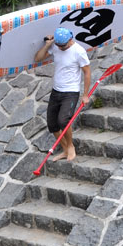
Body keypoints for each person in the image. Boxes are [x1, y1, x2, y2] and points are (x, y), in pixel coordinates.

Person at [34, 27, 91, 162]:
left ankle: (71, 146)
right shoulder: (56, 47)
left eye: (62, 46)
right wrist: (48, 45)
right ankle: (65, 150)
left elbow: (87, 73)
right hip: (56, 91)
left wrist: (85, 94)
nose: (60, 48)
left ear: (70, 40)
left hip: (71, 92)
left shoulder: (79, 51)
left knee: (63, 121)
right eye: (58, 45)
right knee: (52, 125)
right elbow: (37, 58)